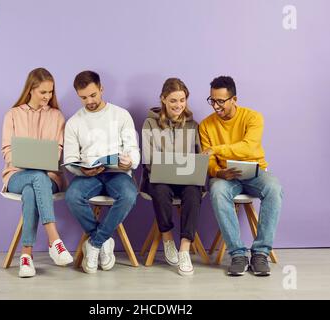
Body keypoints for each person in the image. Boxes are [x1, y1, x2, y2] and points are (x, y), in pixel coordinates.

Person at [199, 76, 283, 276]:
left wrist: (216, 150)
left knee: (274, 188)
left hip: (254, 172)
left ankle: (261, 253)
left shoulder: (253, 117)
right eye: (212, 100)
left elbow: (248, 148)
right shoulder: (205, 125)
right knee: (217, 190)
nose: (216, 106)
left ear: (234, 99)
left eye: (221, 101)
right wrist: (218, 172)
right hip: (226, 176)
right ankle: (237, 253)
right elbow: (208, 161)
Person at [64, 70, 139, 274]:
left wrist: (129, 162)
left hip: (117, 173)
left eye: (93, 95)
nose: (89, 101)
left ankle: (95, 243)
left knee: (129, 195)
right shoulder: (74, 122)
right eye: (83, 97)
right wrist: (81, 170)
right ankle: (104, 241)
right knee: (72, 196)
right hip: (89, 174)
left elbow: (133, 149)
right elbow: (69, 159)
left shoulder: (121, 115)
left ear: (101, 89)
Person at [1, 68, 73, 278]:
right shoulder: (13, 114)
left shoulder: (56, 116)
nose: (47, 97)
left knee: (33, 188)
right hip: (16, 175)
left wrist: (41, 161)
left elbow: (58, 151)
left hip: (50, 177)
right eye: (43, 92)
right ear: (31, 89)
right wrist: (28, 161)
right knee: (34, 177)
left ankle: (26, 256)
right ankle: (55, 240)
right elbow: (7, 151)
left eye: (50, 92)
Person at [141, 78, 203, 276]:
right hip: (159, 177)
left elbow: (197, 156)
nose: (178, 105)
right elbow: (148, 160)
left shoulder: (193, 125)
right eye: (173, 100)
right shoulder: (150, 123)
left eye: (182, 100)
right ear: (163, 99)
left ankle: (184, 249)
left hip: (186, 179)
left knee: (194, 192)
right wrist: (166, 168)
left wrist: (201, 162)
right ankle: (168, 239)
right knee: (159, 189)